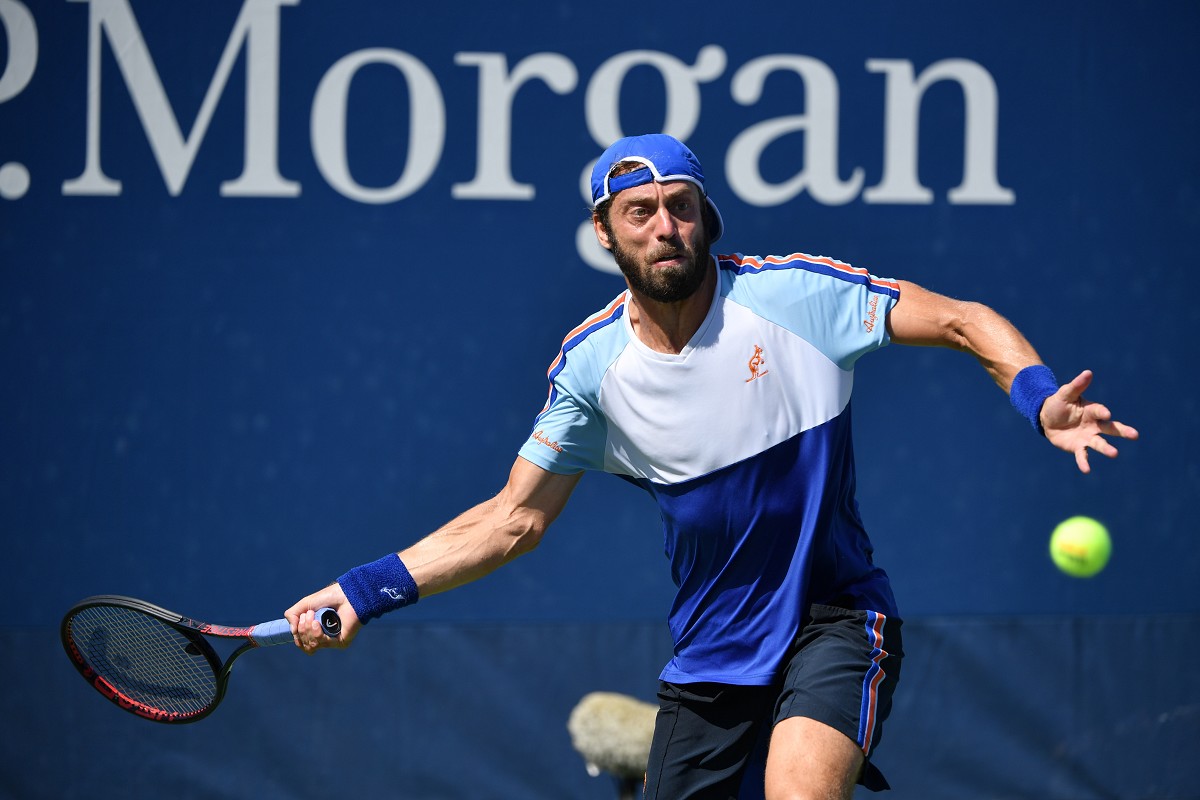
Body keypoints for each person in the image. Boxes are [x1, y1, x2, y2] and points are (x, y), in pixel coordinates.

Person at [286, 134, 1138, 799]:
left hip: (835, 619)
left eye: (681, 207)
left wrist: (1037, 396)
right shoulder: (590, 371)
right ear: (605, 232)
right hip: (712, 654)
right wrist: (364, 589)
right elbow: (514, 520)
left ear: (708, 217)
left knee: (797, 791)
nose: (665, 227)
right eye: (641, 211)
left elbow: (959, 319)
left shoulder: (795, 298)